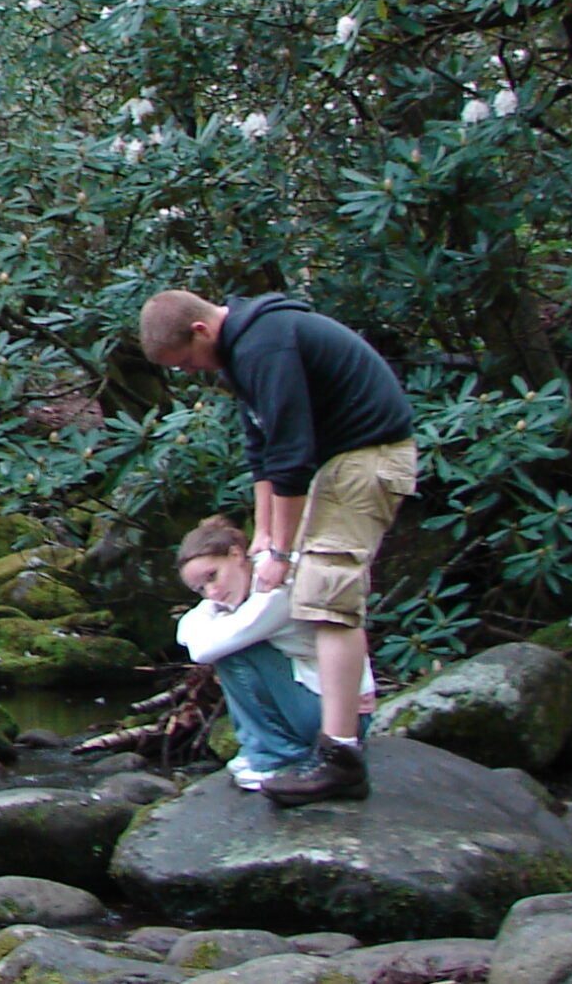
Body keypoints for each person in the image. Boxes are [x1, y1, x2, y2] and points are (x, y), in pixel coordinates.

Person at [139, 289, 417, 804]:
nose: (194, 371)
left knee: (330, 601)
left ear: (201, 331)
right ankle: (324, 747)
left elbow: (291, 450)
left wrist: (283, 552)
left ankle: (341, 756)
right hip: (338, 465)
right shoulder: (244, 353)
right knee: (316, 596)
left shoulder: (266, 344)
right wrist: (265, 536)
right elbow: (261, 450)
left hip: (366, 457)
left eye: (188, 361)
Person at [174, 514, 373, 791]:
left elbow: (202, 649)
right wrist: (210, 607)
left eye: (212, 576)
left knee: (235, 653)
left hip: (337, 717)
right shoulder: (247, 583)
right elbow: (185, 630)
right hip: (315, 702)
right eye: (200, 589)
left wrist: (210, 616)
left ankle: (280, 757)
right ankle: (263, 749)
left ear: (235, 554)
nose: (212, 591)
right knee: (232, 642)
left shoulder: (276, 590)